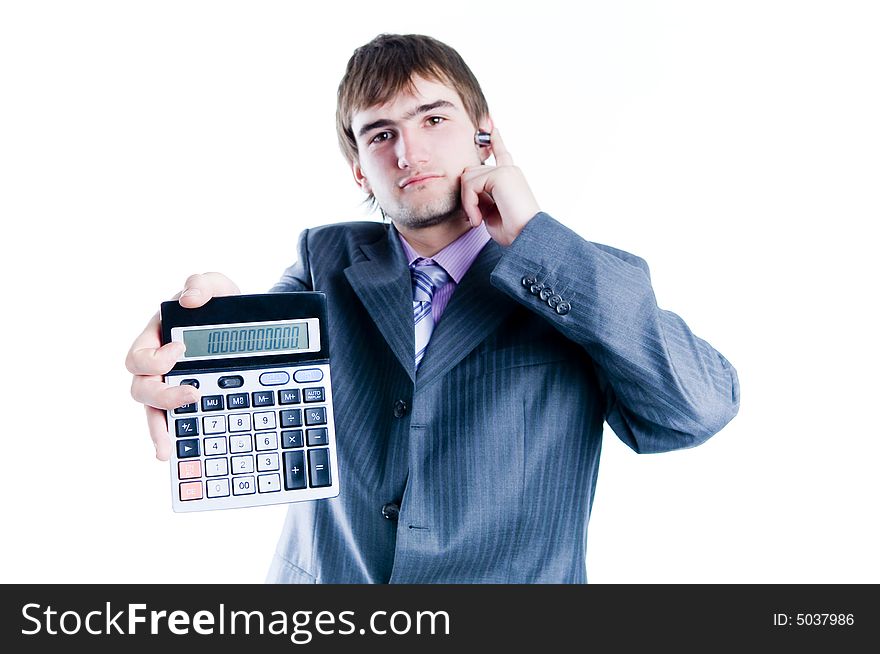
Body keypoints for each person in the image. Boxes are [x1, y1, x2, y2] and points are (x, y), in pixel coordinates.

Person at [126, 33, 740, 583]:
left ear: (485, 136)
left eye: (433, 119)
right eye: (381, 134)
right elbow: (248, 373)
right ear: (359, 169)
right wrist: (202, 334)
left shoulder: (576, 277)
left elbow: (698, 410)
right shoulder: (326, 258)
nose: (407, 153)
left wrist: (532, 234)